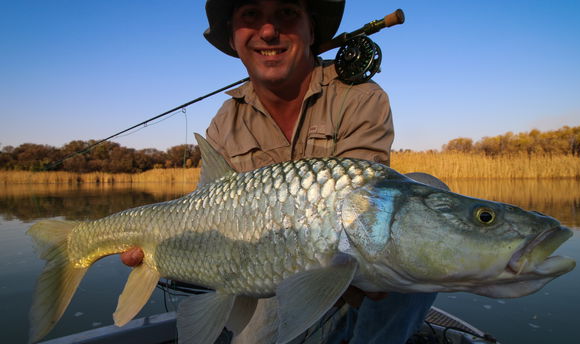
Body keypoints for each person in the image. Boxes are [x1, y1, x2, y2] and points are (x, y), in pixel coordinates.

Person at [121, 1, 438, 343]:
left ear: (311, 29)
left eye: (286, 13)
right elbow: (208, 213)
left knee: (422, 191)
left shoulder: (360, 96)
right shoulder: (224, 123)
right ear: (233, 37)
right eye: (251, 15)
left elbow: (364, 207)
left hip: (347, 257)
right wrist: (162, 250)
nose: (269, 31)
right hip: (263, 268)